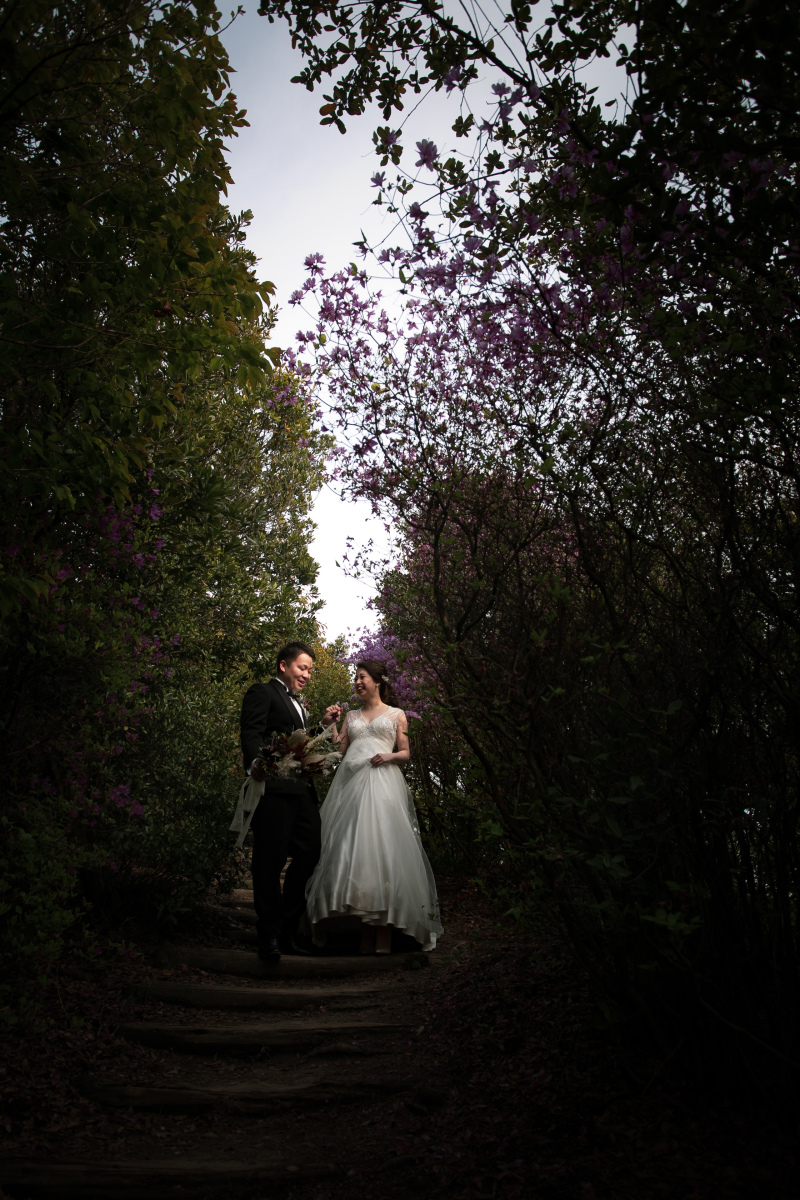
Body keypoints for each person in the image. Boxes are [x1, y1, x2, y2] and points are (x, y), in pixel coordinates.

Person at [305, 660, 442, 954]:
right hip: (353, 789)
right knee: (359, 855)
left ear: (378, 681)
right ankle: (366, 933)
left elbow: (405, 753)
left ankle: (384, 935)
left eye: (362, 677)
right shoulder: (351, 715)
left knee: (383, 853)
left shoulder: (396, 715)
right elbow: (339, 750)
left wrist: (387, 757)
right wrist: (329, 725)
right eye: (356, 677)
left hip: (382, 786)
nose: (357, 681)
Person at [240, 641, 341, 962]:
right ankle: (269, 935)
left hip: (302, 791)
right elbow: (252, 733)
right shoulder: (263, 692)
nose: (307, 674)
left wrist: (321, 725)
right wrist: (256, 764)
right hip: (273, 791)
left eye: (310, 669)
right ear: (283, 665)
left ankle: (286, 927)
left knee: (311, 851)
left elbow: (298, 741)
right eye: (303, 667)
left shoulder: (299, 704)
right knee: (269, 861)